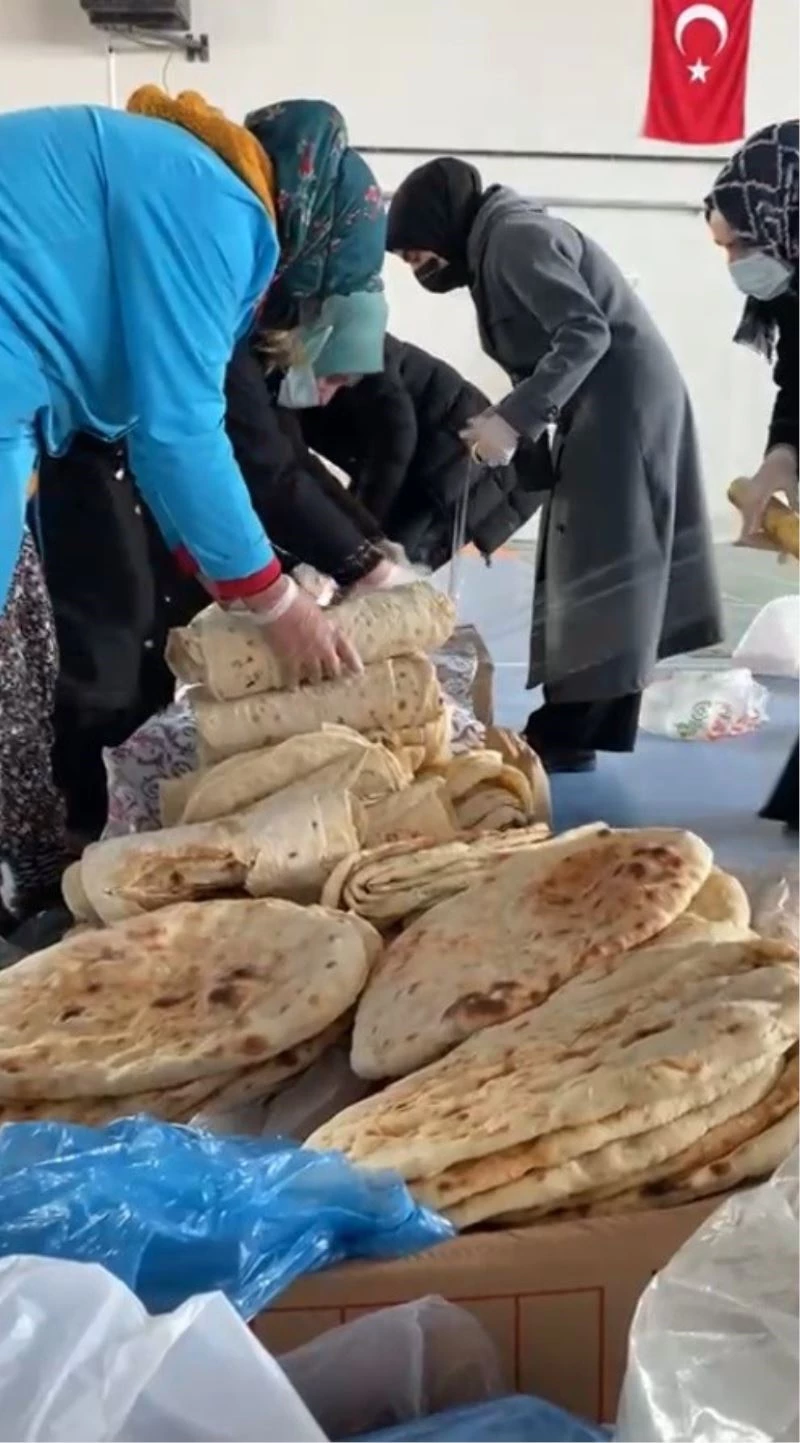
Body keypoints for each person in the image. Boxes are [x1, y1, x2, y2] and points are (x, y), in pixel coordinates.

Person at [0, 89, 387, 687]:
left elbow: (149, 431)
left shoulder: (204, 185)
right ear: (315, 242)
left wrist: (209, 565)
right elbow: (181, 433)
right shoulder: (218, 209)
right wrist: (274, 599)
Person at [387, 159, 723, 772]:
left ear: (440, 228)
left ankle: (573, 730)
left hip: (622, 406)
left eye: (416, 256)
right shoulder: (497, 246)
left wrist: (513, 419)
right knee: (584, 562)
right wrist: (527, 442)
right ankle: (573, 722)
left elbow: (584, 334)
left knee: (608, 565)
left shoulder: (517, 239)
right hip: (596, 409)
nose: (419, 271)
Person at [706, 119, 799, 831]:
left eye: (741, 242)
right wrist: (782, 458)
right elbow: (796, 386)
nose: (735, 260)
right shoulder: (793, 288)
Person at [300, 334, 555, 570]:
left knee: (380, 574)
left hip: (450, 461)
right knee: (369, 567)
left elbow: (396, 436)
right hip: (436, 461)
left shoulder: (346, 340)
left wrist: (364, 525)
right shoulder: (292, 364)